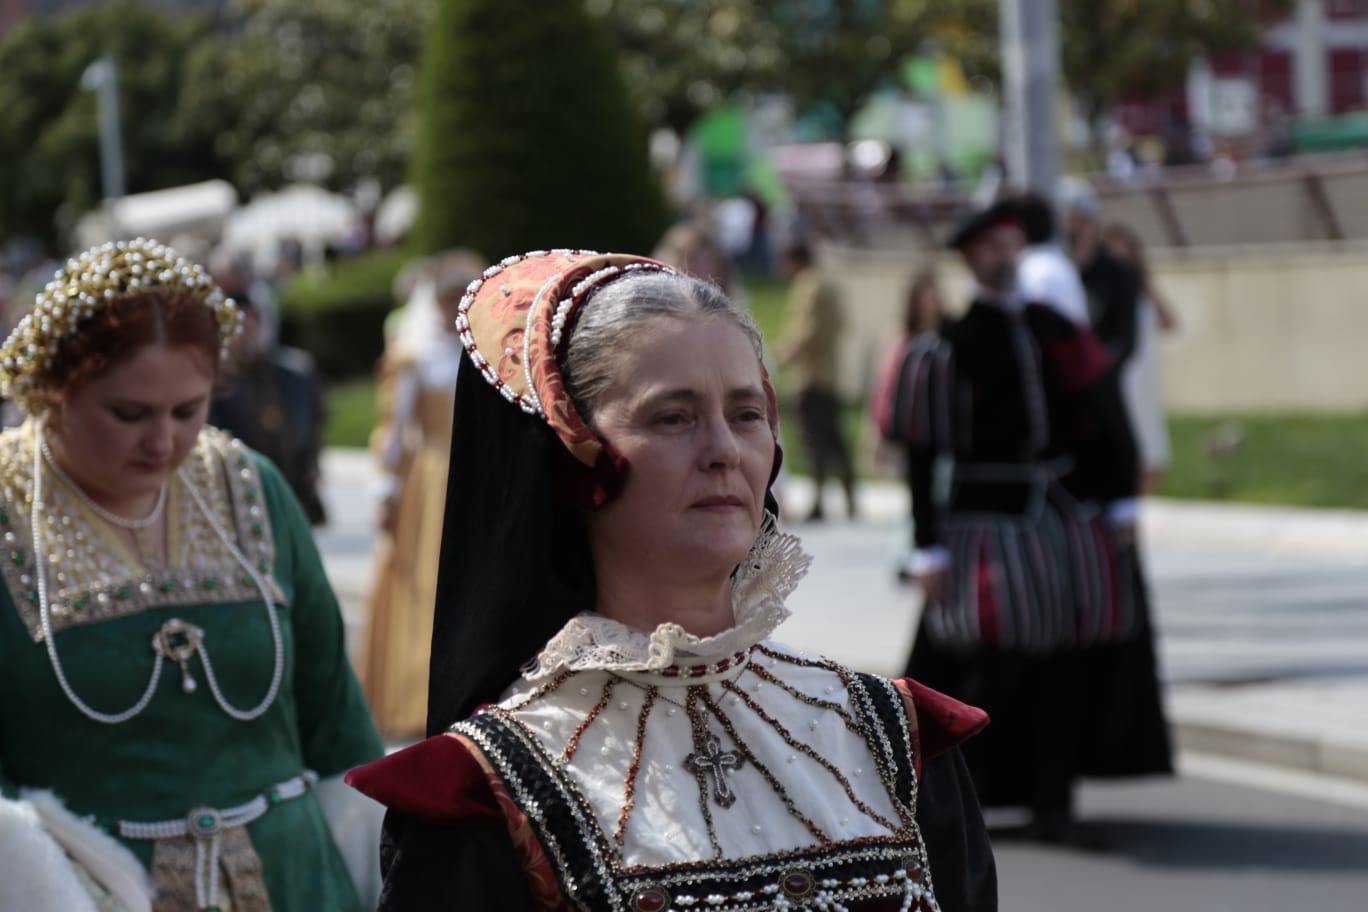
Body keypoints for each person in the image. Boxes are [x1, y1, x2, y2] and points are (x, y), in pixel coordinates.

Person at [345, 250, 998, 910]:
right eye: (672, 417)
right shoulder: (492, 789)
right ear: (577, 458)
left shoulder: (892, 738)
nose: (722, 451)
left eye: (745, 414)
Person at [0, 239, 384, 911]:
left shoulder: (249, 484)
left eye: (189, 409)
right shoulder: (8, 502)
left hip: (297, 885)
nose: (164, 442)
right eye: (129, 414)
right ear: (54, 388)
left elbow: (338, 719)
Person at [889, 202, 1171, 844]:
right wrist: (927, 546)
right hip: (983, 525)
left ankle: (1054, 798)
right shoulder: (946, 348)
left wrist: (1119, 498)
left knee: (1069, 657)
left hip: (1064, 517)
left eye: (1011, 244)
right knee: (987, 662)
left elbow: (1101, 419)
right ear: (969, 260)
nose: (1004, 256)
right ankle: (978, 793)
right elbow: (923, 453)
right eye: (990, 247)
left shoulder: (1056, 330)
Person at [362, 249, 488, 740]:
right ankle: (418, 696)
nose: (450, 307)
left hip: (476, 471)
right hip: (432, 477)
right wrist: (386, 490)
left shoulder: (478, 350)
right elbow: (392, 429)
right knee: (428, 580)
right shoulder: (412, 356)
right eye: (445, 298)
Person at [208, 277, 329, 526]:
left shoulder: (291, 373)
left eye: (251, 324)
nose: (246, 335)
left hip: (290, 488)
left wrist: (311, 467)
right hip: (239, 494)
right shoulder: (214, 381)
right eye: (238, 327)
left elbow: (314, 422)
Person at [776, 241, 857, 521]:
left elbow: (806, 329)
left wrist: (782, 355)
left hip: (810, 376)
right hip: (830, 374)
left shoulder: (808, 285)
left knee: (813, 442)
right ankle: (850, 496)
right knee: (835, 440)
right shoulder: (830, 285)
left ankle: (820, 501)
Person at [1101, 221, 1175, 494]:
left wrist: (1144, 281)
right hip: (1117, 383)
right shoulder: (1102, 294)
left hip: (1144, 382)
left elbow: (1168, 323)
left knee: (1154, 459)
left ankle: (1133, 506)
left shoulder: (1141, 294)